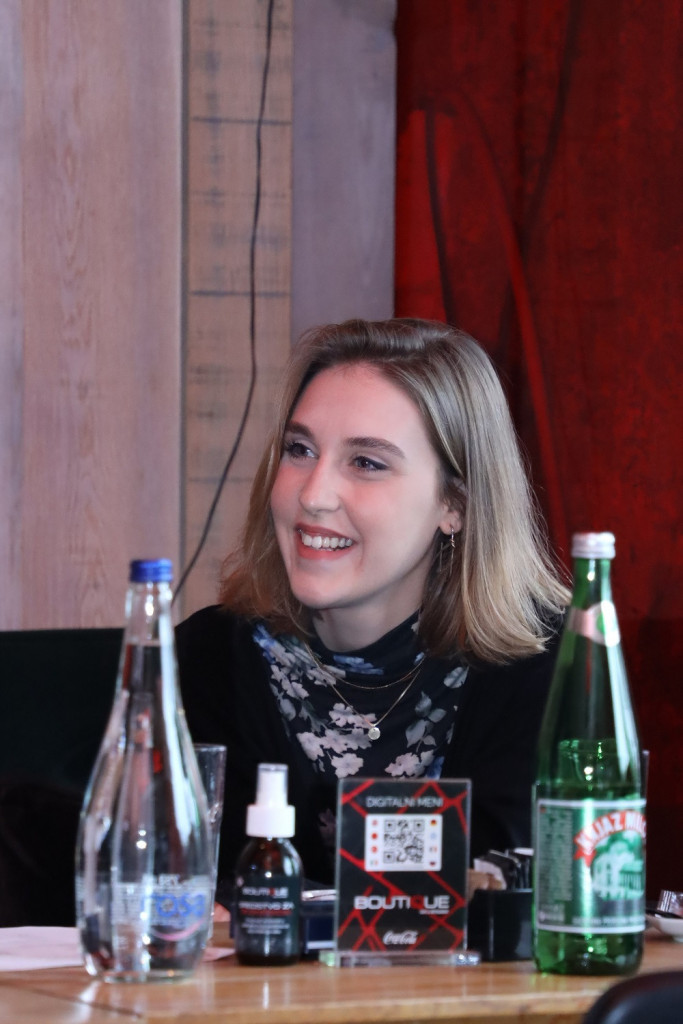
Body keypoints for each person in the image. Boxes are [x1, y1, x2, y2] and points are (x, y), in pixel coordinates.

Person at [176, 318, 570, 899]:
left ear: (455, 504)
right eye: (300, 449)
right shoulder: (204, 660)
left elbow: (526, 894)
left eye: (366, 462)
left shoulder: (551, 666)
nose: (313, 494)